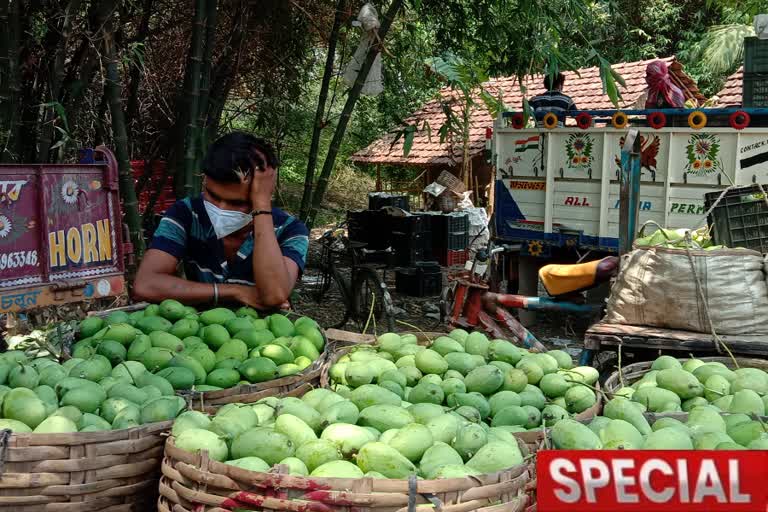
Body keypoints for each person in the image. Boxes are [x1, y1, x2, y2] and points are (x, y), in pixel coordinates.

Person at [133, 132, 309, 310]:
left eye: (237, 203)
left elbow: (274, 295)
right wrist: (235, 291)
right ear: (204, 181)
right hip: (197, 330)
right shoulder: (186, 213)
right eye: (213, 196)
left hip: (265, 334)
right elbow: (146, 284)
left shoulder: (291, 230)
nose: (221, 209)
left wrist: (261, 206)